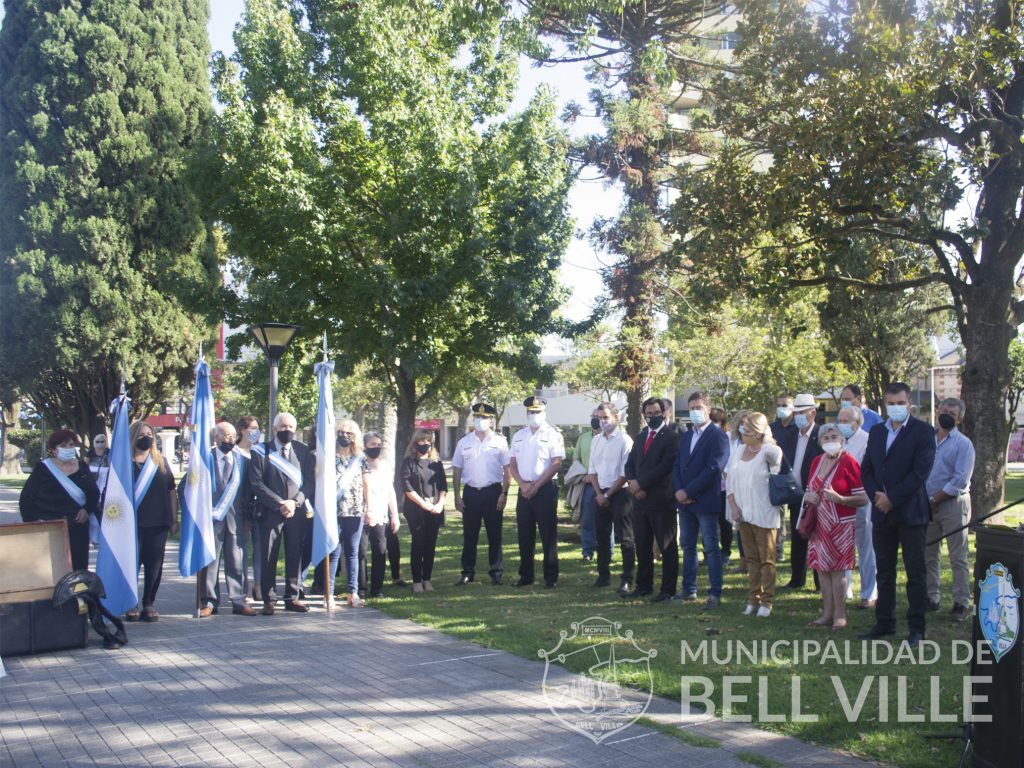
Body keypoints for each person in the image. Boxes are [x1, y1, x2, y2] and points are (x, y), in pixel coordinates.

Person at [859, 383, 936, 647]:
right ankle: (884, 622)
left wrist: (893, 498)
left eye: (900, 403)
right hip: (882, 513)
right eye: (891, 403)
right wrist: (878, 497)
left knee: (915, 572)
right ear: (885, 404)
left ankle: (917, 627)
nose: (896, 408)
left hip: (911, 513)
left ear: (909, 404)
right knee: (884, 571)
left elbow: (920, 473)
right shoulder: (878, 432)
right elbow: (866, 469)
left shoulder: (923, 432)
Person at [803, 424, 868, 631]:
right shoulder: (816, 461)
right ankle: (827, 613)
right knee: (822, 569)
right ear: (820, 441)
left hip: (840, 525)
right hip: (818, 524)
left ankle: (840, 614)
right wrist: (808, 496)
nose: (830, 440)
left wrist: (840, 498)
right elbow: (808, 490)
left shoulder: (849, 462)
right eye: (826, 437)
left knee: (838, 571)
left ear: (842, 439)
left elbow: (863, 498)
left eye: (834, 436)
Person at [250, 412, 314, 615]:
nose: (287, 431)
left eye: (291, 428)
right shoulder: (261, 451)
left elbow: (310, 483)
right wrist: (280, 503)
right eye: (283, 427)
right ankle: (269, 599)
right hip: (270, 512)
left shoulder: (303, 451)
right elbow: (256, 483)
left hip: (296, 512)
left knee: (295, 554)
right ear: (274, 429)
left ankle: (292, 597)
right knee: (269, 555)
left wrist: (295, 502)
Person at [673, 391, 731, 609]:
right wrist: (679, 490)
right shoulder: (687, 435)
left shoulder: (718, 436)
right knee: (688, 545)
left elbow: (714, 468)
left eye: (698, 407)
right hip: (684, 501)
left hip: (705, 500)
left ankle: (715, 593)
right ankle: (688, 589)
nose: (695, 412)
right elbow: (677, 465)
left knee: (710, 547)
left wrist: (689, 491)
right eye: (692, 408)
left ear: (708, 409)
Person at [725, 412, 782, 617]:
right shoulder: (739, 450)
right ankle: (753, 598)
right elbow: (729, 478)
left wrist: (766, 440)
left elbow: (777, 459)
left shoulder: (769, 450)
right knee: (751, 559)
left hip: (764, 512)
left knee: (766, 559)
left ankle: (767, 601)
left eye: (747, 430)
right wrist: (733, 505)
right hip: (743, 512)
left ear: (758, 433)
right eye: (742, 429)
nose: (743, 433)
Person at [623, 397, 679, 601]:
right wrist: (632, 484)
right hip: (639, 501)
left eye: (656, 412)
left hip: (661, 500)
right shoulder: (640, 436)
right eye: (649, 413)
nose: (652, 416)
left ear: (664, 413)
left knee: (667, 546)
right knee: (642, 545)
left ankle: (667, 589)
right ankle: (643, 585)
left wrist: (641, 484)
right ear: (644, 414)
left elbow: (665, 466)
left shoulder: (671, 437)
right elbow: (629, 465)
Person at [20, 429, 100, 571]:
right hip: (50, 526)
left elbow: (94, 493)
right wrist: (33, 522)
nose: (69, 448)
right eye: (64, 445)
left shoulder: (82, 467)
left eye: (71, 444)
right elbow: (26, 499)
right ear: (54, 450)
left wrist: (86, 509)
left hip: (77, 527)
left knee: (78, 567)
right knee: (51, 569)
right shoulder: (43, 469)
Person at [925, 397, 975, 622]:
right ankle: (931, 598)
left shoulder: (964, 444)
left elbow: (960, 480)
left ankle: (961, 603)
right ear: (937, 411)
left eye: (952, 413)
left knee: (958, 557)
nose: (946, 415)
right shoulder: (927, 439)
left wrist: (935, 499)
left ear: (960, 418)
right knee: (929, 554)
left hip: (953, 505)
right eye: (943, 410)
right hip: (927, 505)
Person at [200, 421, 258, 617]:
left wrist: (249, 519)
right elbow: (186, 488)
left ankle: (239, 601)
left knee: (237, 562)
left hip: (237, 521)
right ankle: (209, 601)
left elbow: (250, 494)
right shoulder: (204, 459)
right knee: (210, 562)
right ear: (216, 438)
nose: (230, 439)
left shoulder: (243, 461)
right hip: (211, 521)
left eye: (233, 436)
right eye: (226, 436)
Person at [452, 403, 511, 586]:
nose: (481, 420)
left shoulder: (500, 441)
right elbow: (457, 469)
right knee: (470, 535)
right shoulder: (464, 442)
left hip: (493, 492)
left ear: (491, 420)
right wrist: (456, 495)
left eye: (484, 418)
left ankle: (496, 572)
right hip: (471, 493)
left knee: (495, 535)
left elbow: (507, 469)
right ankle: (467, 572)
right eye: (478, 417)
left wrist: (504, 493)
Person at [509, 397, 565, 588]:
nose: (534, 415)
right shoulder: (519, 435)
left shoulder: (553, 434)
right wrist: (523, 485)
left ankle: (551, 577)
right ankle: (526, 576)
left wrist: (536, 486)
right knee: (524, 534)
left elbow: (556, 463)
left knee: (548, 534)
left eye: (538, 412)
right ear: (527, 414)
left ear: (545, 412)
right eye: (531, 412)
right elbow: (513, 465)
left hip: (545, 490)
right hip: (524, 489)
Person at [128, 421, 177, 622]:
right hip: (132, 524)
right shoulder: (124, 463)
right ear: (133, 437)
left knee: (154, 565)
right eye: (141, 434)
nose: (146, 437)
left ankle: (148, 602)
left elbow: (171, 492)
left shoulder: (160, 462)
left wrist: (174, 519)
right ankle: (130, 603)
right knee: (132, 564)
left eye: (149, 434)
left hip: (158, 523)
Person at [587, 402, 634, 595]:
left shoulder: (624, 440)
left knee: (625, 538)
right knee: (602, 537)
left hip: (620, 493)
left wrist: (608, 494)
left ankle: (627, 579)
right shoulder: (596, 440)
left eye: (605, 417)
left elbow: (624, 473)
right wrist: (599, 494)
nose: (602, 421)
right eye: (599, 417)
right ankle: (603, 575)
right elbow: (592, 470)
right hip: (600, 494)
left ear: (616, 417)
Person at [778, 393, 823, 590]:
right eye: (796, 412)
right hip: (795, 494)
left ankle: (820, 582)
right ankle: (797, 578)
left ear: (813, 413)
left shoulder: (821, 435)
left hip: (815, 494)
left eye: (802, 412)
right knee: (797, 538)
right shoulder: (790, 435)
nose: (798, 416)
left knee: (816, 538)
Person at [837, 406, 876, 608]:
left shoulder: (868, 440)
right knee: (844, 548)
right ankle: (845, 590)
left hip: (862, 500)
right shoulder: (837, 441)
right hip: (840, 502)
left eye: (846, 421)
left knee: (866, 548)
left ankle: (869, 593)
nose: (841, 424)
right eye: (840, 420)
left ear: (857, 422)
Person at [401, 429, 448, 592]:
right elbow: (406, 486)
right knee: (418, 544)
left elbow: (443, 485)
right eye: (422, 441)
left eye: (428, 441)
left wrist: (440, 503)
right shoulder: (409, 462)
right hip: (416, 509)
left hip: (435, 509)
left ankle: (427, 579)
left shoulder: (436, 462)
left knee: (430, 545)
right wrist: (423, 504)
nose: (425, 444)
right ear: (415, 443)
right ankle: (416, 581)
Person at [328, 419, 367, 606]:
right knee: (334, 552)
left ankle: (353, 592)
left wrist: (369, 507)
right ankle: (329, 594)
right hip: (334, 510)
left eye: (349, 433)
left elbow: (366, 483)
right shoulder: (328, 456)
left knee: (353, 552)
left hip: (355, 510)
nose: (344, 436)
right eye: (341, 432)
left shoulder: (360, 458)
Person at [361, 431, 399, 599]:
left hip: (380, 514)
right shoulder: (359, 464)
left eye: (378, 444)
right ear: (364, 446)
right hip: (361, 515)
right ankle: (360, 588)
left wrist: (395, 515)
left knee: (380, 551)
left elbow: (390, 492)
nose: (376, 447)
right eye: (372, 444)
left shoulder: (384, 465)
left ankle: (377, 589)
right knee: (361, 552)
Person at [234, 415, 263, 601]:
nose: (256, 432)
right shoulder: (234, 452)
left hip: (259, 507)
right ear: (242, 431)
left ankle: (259, 585)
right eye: (252, 428)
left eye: (257, 428)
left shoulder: (260, 452)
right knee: (241, 549)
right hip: (240, 508)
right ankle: (244, 588)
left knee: (260, 548)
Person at [769, 393, 797, 562]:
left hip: (795, 476)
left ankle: (799, 553)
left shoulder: (797, 427)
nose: (782, 408)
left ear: (792, 407)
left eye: (785, 405)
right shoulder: (773, 428)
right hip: (777, 477)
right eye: (779, 405)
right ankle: (778, 550)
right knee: (778, 514)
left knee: (796, 517)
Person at [708, 407, 734, 567]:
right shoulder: (705, 436)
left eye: (717, 421)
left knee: (725, 522)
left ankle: (725, 552)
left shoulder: (727, 437)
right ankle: (709, 551)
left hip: (724, 486)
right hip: (708, 486)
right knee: (709, 521)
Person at [575, 407, 602, 562]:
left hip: (605, 484)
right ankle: (587, 552)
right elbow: (576, 459)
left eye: (599, 416)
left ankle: (608, 551)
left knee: (606, 519)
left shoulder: (610, 438)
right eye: (593, 416)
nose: (595, 419)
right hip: (587, 485)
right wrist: (584, 474)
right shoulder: (583, 438)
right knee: (587, 520)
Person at [85, 432, 110, 547]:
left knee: (102, 512)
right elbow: (85, 466)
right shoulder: (90, 453)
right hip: (92, 483)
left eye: (102, 441)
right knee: (92, 513)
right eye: (98, 442)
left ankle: (100, 538)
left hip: (104, 483)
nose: (100, 444)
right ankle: (93, 538)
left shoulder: (109, 453)